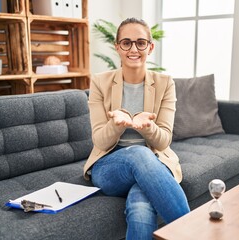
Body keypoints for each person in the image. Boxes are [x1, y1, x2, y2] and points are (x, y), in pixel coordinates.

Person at [83, 17, 190, 239]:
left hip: (153, 162)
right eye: (126, 42)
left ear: (150, 47)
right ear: (117, 47)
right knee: (138, 154)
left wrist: (147, 127)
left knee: (140, 205)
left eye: (141, 42)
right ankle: (191, 234)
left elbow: (163, 142)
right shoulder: (99, 82)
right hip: (109, 167)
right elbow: (100, 142)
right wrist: (116, 124)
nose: (134, 49)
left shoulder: (165, 83)